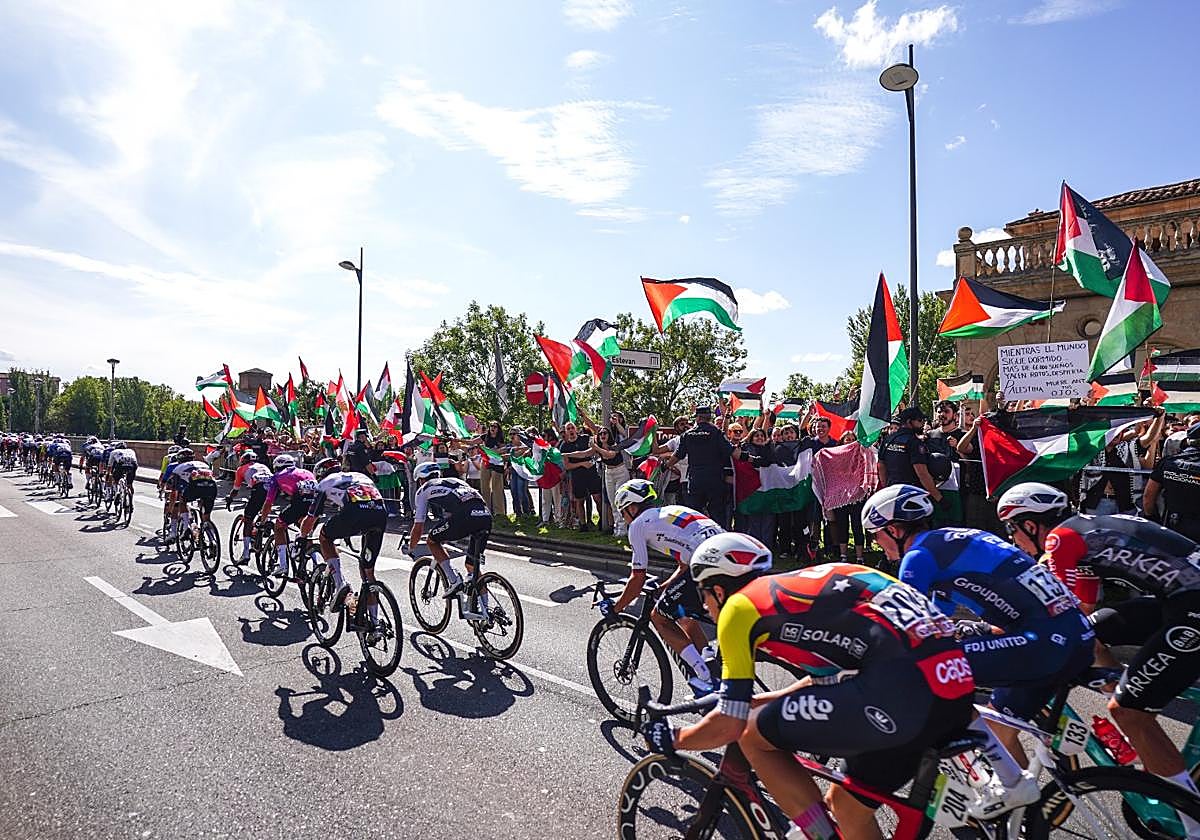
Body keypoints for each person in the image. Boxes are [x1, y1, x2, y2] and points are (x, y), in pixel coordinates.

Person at [643, 537, 977, 840]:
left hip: (899, 694)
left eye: (703, 595)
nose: (704, 608)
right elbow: (826, 679)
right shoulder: (806, 590)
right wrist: (764, 699)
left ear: (718, 590)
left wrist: (675, 738)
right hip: (955, 686)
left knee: (750, 734)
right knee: (846, 806)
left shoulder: (738, 607)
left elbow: (731, 722)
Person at [862, 484, 1092, 803]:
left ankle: (1009, 785)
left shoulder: (918, 557)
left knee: (937, 674)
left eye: (876, 535)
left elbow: (902, 626)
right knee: (999, 726)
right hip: (1069, 634)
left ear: (893, 529)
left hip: (1043, 640)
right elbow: (933, 620)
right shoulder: (945, 542)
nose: (877, 544)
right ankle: (1023, 808)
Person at [996, 482, 1200, 811]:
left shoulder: (1059, 540)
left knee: (1128, 711)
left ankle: (1187, 815)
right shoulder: (1083, 534)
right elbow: (1081, 613)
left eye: (1011, 529)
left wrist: (995, 633)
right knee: (1092, 634)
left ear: (1030, 525)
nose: (1012, 539)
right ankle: (1126, 702)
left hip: (1191, 605)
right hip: (1178, 598)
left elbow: (1054, 612)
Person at [599, 479, 725, 694]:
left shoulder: (639, 525)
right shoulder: (670, 512)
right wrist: (663, 588)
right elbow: (684, 566)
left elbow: (637, 578)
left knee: (659, 617)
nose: (624, 518)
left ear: (632, 507)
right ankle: (712, 666)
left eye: (623, 512)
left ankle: (705, 679)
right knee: (684, 615)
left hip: (705, 563)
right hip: (727, 554)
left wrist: (615, 608)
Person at [304, 458, 388, 612]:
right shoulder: (361, 476)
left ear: (321, 475)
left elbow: (312, 517)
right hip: (380, 515)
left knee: (325, 536)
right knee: (368, 573)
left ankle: (339, 584)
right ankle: (375, 623)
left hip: (355, 513)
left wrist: (302, 536)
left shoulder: (325, 483)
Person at [404, 461, 493, 604]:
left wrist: (411, 547)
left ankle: (453, 581)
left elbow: (419, 525)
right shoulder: (455, 480)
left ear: (421, 479)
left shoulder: (423, 490)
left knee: (432, 540)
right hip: (485, 515)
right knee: (472, 567)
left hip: (465, 515)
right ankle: (486, 611)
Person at [662, 405, 736, 529]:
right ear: (709, 417)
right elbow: (732, 452)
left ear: (698, 418)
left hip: (696, 480)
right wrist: (751, 459)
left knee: (694, 515)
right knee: (717, 515)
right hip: (715, 480)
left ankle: (694, 542)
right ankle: (720, 541)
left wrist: (666, 466)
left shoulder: (688, 435)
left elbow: (678, 455)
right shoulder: (716, 433)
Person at [257, 454, 319, 579]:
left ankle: (283, 565)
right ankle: (316, 565)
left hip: (299, 502)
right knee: (305, 533)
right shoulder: (306, 471)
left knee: (279, 526)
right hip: (316, 504)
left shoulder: (277, 476)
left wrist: (262, 521)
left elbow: (269, 503)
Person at [1142, 421, 1200, 541]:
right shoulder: (1168, 462)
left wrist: (1152, 519)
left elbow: (1148, 497)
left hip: (1171, 526)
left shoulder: (1168, 462)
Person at [877, 407, 942, 507]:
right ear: (909, 422)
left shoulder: (888, 439)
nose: (922, 424)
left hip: (892, 493)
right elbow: (922, 473)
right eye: (920, 420)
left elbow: (881, 466)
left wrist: (887, 487)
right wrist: (939, 498)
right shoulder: (914, 442)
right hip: (911, 494)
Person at [225, 451, 273, 563]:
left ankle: (246, 553)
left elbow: (235, 489)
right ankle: (263, 524)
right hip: (272, 489)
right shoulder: (263, 466)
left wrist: (230, 499)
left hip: (258, 489)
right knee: (263, 509)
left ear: (243, 460)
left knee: (248, 519)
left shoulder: (241, 469)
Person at [165, 447, 218, 542]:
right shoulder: (203, 464)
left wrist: (170, 509)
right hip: (212, 487)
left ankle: (186, 527)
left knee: (182, 500)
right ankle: (212, 541)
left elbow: (174, 493)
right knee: (206, 518)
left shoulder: (178, 468)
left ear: (179, 459)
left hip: (195, 487)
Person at [560, 421, 602, 531]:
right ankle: (583, 524)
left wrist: (581, 459)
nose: (570, 430)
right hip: (577, 475)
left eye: (572, 428)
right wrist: (581, 464)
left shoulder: (585, 438)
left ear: (576, 429)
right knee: (580, 500)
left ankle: (602, 521)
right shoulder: (564, 446)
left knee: (597, 497)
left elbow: (591, 452)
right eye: (568, 429)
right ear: (565, 432)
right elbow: (567, 466)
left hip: (591, 472)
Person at [590, 426, 630, 536]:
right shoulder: (597, 447)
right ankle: (617, 528)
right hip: (608, 473)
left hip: (620, 472)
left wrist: (596, 448)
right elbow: (584, 454)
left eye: (605, 433)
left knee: (620, 501)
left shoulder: (614, 446)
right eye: (601, 433)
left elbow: (609, 454)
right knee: (612, 503)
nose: (603, 435)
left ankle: (623, 529)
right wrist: (566, 455)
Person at [479, 420, 508, 516]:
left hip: (497, 464)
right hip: (486, 463)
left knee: (497, 488)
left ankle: (499, 512)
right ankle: (486, 510)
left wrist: (495, 451)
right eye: (491, 426)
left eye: (495, 426)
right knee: (484, 486)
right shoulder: (485, 437)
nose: (492, 428)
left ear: (498, 429)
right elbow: (471, 442)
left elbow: (504, 450)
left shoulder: (500, 439)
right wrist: (459, 440)